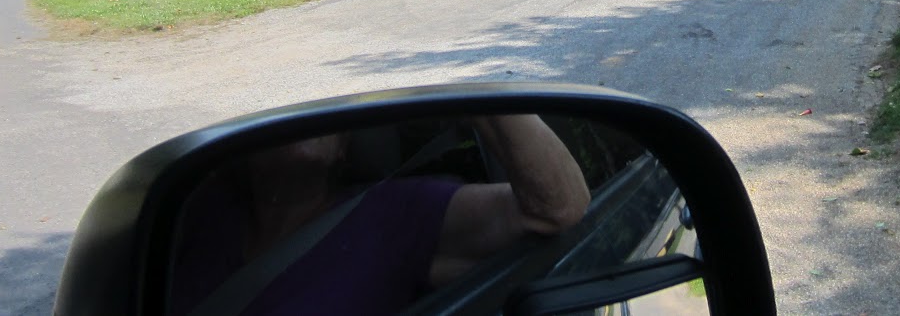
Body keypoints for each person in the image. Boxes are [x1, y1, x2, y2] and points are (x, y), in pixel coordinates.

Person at [167, 115, 590, 316]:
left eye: (331, 113)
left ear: (345, 150)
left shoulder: (396, 212)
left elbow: (558, 208)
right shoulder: (204, 209)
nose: (307, 121)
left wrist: (484, 98)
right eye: (281, 114)